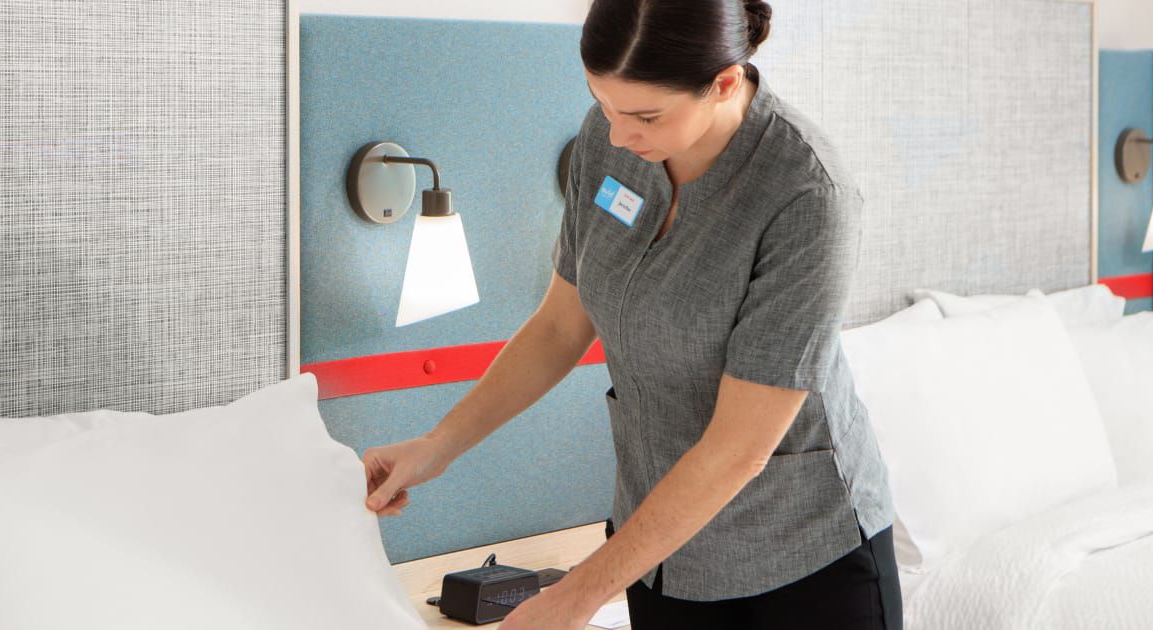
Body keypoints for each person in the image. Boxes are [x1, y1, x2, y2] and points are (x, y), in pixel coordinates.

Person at [361, 1, 903, 628]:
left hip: (803, 565)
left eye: (644, 115)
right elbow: (562, 326)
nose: (616, 136)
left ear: (724, 82)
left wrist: (576, 595)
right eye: (602, 101)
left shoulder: (808, 195)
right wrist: (437, 446)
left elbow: (737, 448)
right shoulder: (610, 138)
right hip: (655, 556)